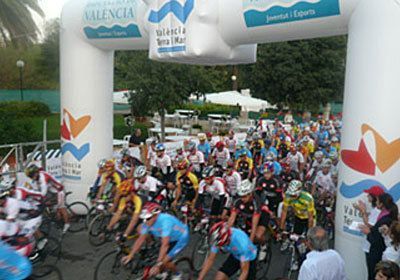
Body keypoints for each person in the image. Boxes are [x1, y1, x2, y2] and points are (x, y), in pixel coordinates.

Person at [122, 203, 189, 280]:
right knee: (156, 255)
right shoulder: (148, 222)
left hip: (180, 239)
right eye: (143, 218)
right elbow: (141, 239)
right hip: (167, 237)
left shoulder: (166, 221)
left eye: (148, 218)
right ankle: (162, 272)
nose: (145, 221)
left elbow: (165, 245)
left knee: (165, 261)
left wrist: (158, 264)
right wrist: (131, 255)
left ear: (155, 215)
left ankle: (177, 273)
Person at [359, 193, 399, 280]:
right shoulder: (385, 215)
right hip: (377, 249)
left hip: (376, 251)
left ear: (381, 204)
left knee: (372, 274)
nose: (375, 201)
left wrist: (368, 233)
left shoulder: (385, 218)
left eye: (377, 200)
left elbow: (376, 239)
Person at [25, 164, 70, 233]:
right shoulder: (37, 177)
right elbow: (36, 189)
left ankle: (67, 224)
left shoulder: (43, 177)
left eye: (31, 176)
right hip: (52, 192)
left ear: (36, 173)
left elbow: (43, 193)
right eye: (30, 176)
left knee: (61, 207)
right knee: (50, 205)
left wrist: (37, 198)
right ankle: (58, 217)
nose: (31, 178)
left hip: (59, 191)